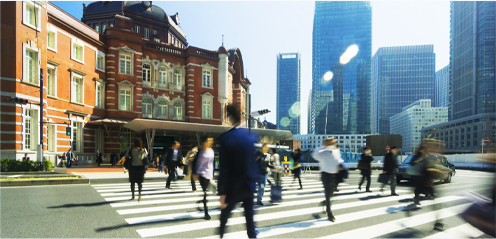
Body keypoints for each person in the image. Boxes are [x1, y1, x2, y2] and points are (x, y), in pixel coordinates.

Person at [217, 103, 258, 238]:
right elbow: (252, 162)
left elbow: (224, 168)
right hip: (249, 185)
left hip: (233, 187)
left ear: (229, 117)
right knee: (250, 223)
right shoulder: (248, 137)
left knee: (224, 220)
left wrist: (222, 192)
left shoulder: (225, 138)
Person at [312, 137, 344, 222]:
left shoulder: (336, 152)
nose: (331, 145)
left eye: (332, 143)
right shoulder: (322, 153)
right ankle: (329, 212)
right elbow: (314, 155)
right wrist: (322, 146)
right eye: (329, 144)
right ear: (326, 144)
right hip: (326, 176)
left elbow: (339, 160)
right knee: (328, 193)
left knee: (331, 194)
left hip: (335, 175)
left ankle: (326, 202)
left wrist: (341, 166)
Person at [192, 135, 216, 220]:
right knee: (205, 192)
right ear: (204, 142)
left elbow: (212, 163)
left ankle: (202, 201)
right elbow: (195, 163)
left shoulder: (212, 151)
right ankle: (206, 213)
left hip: (209, 174)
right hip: (201, 174)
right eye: (209, 140)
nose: (210, 142)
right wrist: (194, 173)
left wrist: (212, 174)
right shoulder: (200, 152)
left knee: (209, 191)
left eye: (211, 141)